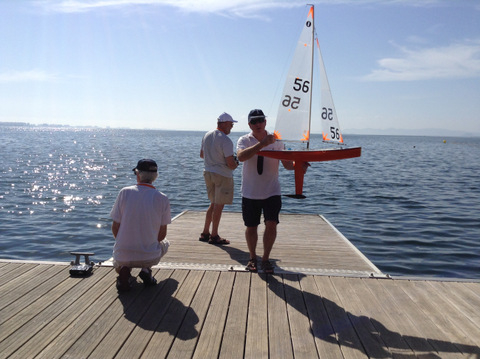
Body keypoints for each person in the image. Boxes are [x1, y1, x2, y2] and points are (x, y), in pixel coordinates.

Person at [236, 109, 309, 274]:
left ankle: (266, 259)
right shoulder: (244, 140)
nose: (258, 124)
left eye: (260, 120)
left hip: (272, 191)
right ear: (249, 124)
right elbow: (240, 157)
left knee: (271, 224)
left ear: (265, 122)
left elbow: (288, 165)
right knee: (251, 226)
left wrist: (300, 166)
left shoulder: (277, 141)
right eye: (254, 121)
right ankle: (253, 257)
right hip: (250, 192)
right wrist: (262, 145)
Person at [110, 159, 171, 292]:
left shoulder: (124, 192)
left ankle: (124, 268)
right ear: (155, 177)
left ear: (138, 174)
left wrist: (125, 242)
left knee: (122, 250)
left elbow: (115, 227)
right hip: (149, 256)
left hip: (123, 255)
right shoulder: (162, 198)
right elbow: (161, 235)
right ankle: (146, 269)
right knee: (165, 243)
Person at [199, 112, 239, 245]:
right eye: (231, 124)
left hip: (208, 173)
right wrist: (236, 163)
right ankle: (214, 235)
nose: (232, 127)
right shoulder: (225, 140)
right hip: (222, 175)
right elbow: (230, 164)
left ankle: (205, 232)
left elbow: (201, 155)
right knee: (219, 206)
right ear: (224, 123)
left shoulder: (207, 135)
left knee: (213, 203)